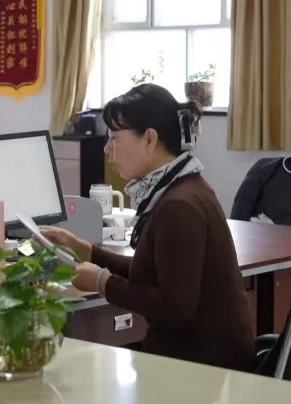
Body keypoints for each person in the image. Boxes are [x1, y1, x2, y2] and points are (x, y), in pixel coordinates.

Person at [42, 84, 254, 371]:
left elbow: (174, 306)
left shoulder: (179, 206)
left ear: (150, 139)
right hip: (195, 357)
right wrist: (86, 251)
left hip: (200, 369)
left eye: (114, 137)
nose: (106, 148)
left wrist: (101, 282)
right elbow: (154, 273)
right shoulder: (182, 188)